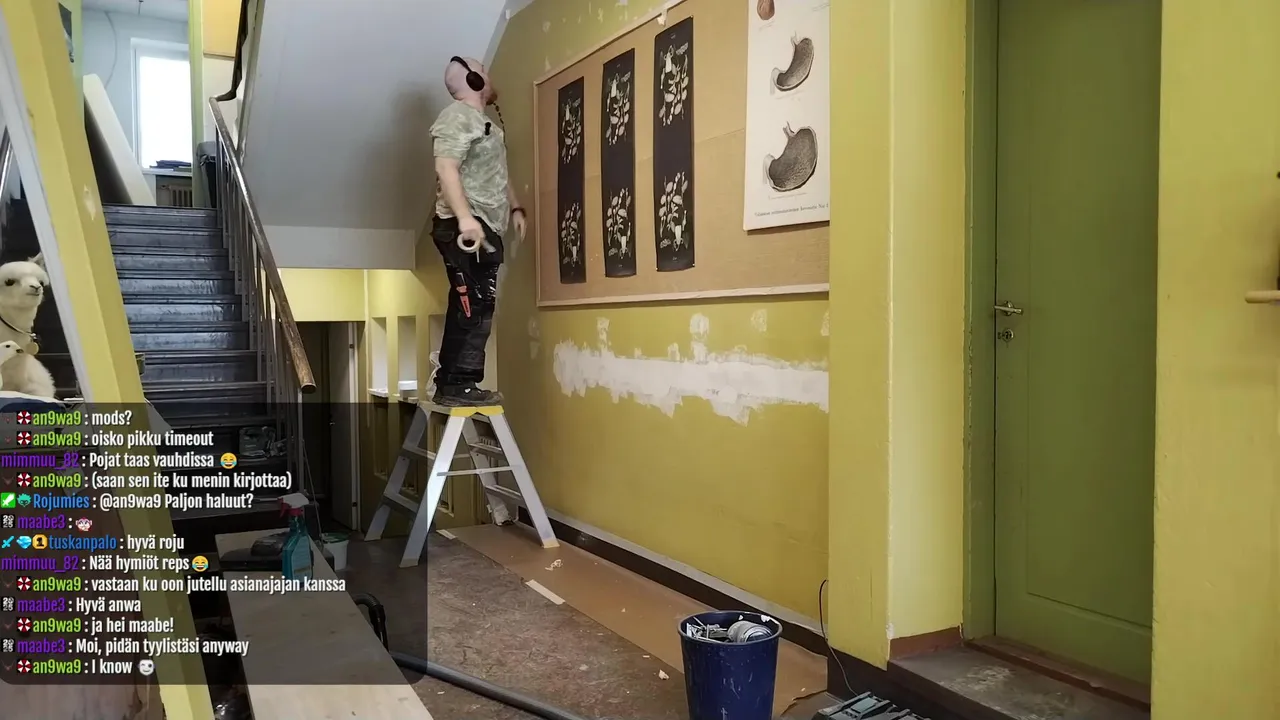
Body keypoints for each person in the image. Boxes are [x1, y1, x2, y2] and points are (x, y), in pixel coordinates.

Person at [429, 56, 527, 407]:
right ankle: (457, 385)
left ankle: (455, 382)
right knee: (474, 304)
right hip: (465, 225)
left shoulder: (484, 125)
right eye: (483, 71)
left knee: (477, 302)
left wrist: (515, 207)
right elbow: (446, 167)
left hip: (485, 224)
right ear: (473, 79)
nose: (489, 75)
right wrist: (465, 218)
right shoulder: (456, 117)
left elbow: (497, 173)